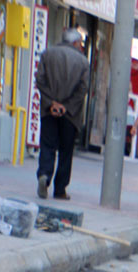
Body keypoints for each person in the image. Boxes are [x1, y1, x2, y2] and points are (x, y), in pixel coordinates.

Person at [35, 28, 89, 201]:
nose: (81, 46)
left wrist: (52, 102)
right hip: (70, 114)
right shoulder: (82, 62)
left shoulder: (47, 54)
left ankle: (44, 174)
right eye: (80, 43)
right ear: (75, 43)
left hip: (49, 110)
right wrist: (66, 106)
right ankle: (60, 189)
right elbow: (83, 89)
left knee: (48, 145)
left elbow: (40, 80)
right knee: (66, 152)